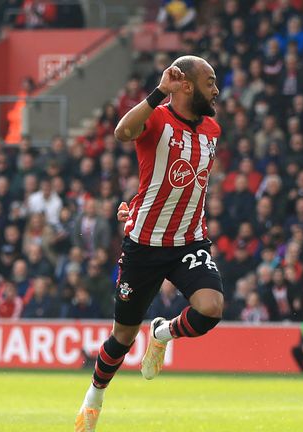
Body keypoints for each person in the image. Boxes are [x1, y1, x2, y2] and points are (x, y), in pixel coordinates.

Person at [75, 56, 225, 432]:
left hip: (190, 241)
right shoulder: (157, 118)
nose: (216, 89)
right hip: (144, 244)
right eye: (210, 81)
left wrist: (136, 202)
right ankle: (93, 398)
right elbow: (123, 133)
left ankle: (162, 333)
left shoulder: (212, 130)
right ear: (186, 86)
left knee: (211, 308)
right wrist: (160, 91)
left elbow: (176, 183)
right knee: (122, 337)